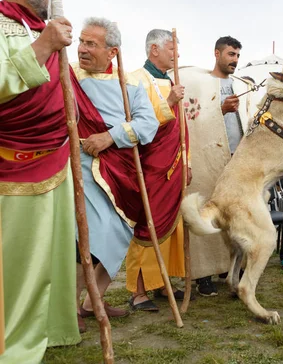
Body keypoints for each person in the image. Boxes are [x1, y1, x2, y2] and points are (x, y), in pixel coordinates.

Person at [0, 0, 81, 360]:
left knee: (55, 255)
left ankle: (52, 328)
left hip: (58, 157)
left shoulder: (44, 30)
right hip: (14, 161)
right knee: (21, 261)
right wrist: (44, 46)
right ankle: (13, 341)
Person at [73, 17, 159, 327]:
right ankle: (68, 310)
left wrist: (110, 136)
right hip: (79, 168)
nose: (82, 49)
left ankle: (90, 302)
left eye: (91, 44)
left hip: (120, 173)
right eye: (81, 42)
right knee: (84, 239)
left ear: (112, 52)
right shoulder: (66, 75)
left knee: (118, 235)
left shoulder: (132, 83)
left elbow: (148, 125)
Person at [125, 29, 191, 311]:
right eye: (172, 50)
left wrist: (187, 161)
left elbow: (183, 128)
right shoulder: (135, 79)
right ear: (154, 49)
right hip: (150, 164)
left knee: (172, 224)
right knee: (147, 223)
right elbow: (137, 124)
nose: (177, 55)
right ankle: (139, 291)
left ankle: (163, 281)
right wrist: (171, 101)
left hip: (175, 163)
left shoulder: (172, 81)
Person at [183, 36, 254, 296]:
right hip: (209, 159)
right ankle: (204, 274)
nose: (235, 60)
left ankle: (232, 268)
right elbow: (192, 120)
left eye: (237, 55)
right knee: (207, 212)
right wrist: (219, 109)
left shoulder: (241, 85)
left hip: (238, 160)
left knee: (236, 215)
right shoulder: (200, 85)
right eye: (231, 54)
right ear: (217, 53)